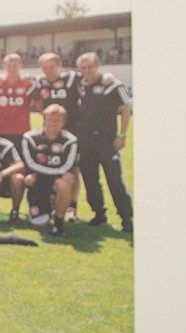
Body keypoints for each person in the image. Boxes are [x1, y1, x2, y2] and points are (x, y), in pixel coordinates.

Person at [75, 52, 133, 233]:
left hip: (107, 141)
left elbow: (126, 108)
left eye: (89, 67)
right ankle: (99, 214)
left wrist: (122, 135)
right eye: (82, 68)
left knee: (115, 181)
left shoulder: (112, 84)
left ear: (98, 66)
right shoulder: (80, 86)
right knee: (91, 180)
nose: (86, 71)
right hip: (86, 142)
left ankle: (126, 218)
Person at [21, 103, 78, 236]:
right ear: (44, 119)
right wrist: (55, 173)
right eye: (50, 119)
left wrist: (49, 174)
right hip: (37, 181)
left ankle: (58, 224)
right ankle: (48, 206)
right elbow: (30, 164)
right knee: (39, 224)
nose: (53, 123)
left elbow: (67, 166)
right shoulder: (30, 137)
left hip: (49, 178)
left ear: (64, 122)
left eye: (57, 120)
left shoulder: (70, 140)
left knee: (63, 183)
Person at [0, 53, 35, 155]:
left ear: (21, 65)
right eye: (9, 65)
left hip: (22, 130)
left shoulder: (28, 84)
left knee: (22, 162)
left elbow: (40, 102)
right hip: (2, 130)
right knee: (4, 162)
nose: (12, 68)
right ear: (4, 66)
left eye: (15, 65)